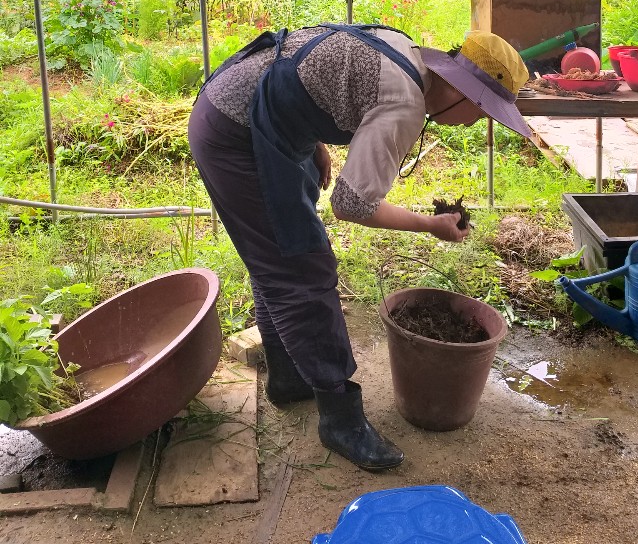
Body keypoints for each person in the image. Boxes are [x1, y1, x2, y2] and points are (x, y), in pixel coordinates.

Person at [188, 23, 531, 471]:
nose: (477, 123)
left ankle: (289, 378)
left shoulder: (404, 48)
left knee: (276, 252)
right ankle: (340, 420)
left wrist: (312, 138)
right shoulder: (404, 104)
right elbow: (350, 206)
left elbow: (318, 74)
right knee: (303, 268)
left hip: (262, 117)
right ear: (461, 92)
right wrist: (430, 225)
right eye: (483, 111)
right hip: (235, 134)